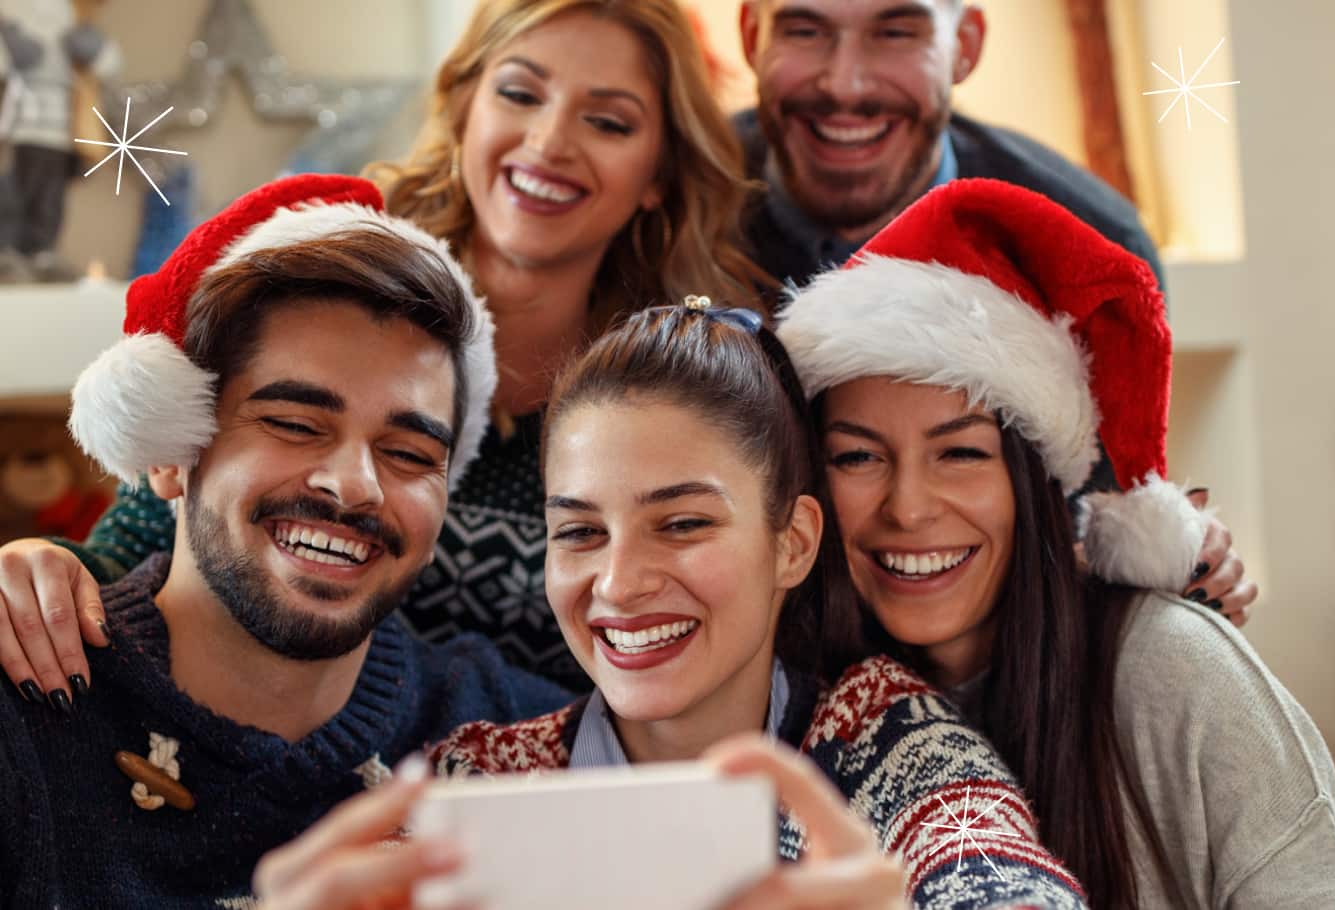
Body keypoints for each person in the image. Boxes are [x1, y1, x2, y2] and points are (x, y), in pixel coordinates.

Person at [0, 0, 769, 695]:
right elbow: (147, 542)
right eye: (519, 94)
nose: (549, 142)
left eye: (608, 122)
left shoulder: (672, 393)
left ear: (659, 173)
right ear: (464, 106)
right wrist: (48, 573)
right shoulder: (326, 285)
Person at [250, 302, 1087, 910]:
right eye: (581, 533)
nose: (618, 584)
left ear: (793, 542)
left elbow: (997, 876)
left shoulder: (886, 739)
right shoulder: (481, 780)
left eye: (682, 524)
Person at [777, 178, 1335, 909]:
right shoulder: (805, 708)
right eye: (858, 457)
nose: (908, 508)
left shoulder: (1173, 669)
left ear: (1032, 483)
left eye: (960, 453)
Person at [0, 174, 571, 908]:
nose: (355, 485)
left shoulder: (524, 745)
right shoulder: (22, 719)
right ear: (172, 455)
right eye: (296, 425)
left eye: (409, 453)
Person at [733, 0, 1162, 292]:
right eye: (805, 32)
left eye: (896, 33)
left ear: (964, 45)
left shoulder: (1096, 252)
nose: (845, 86)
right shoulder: (689, 197)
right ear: (753, 38)